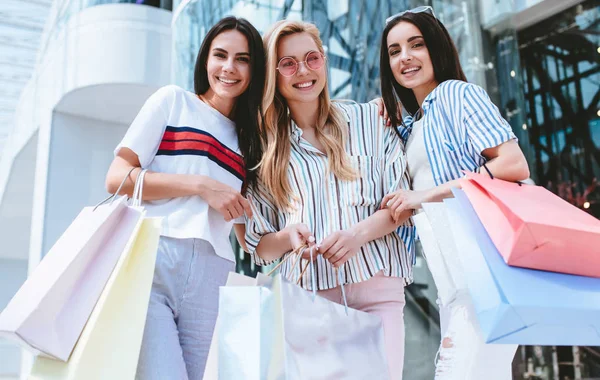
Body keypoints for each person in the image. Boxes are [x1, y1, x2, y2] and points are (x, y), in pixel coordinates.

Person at [244, 20, 414, 379]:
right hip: (308, 300)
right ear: (273, 75)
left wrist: (358, 235)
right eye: (288, 63)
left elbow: (402, 204)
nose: (303, 71)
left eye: (311, 58)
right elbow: (259, 246)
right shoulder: (265, 150)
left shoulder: (370, 118)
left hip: (378, 293)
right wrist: (289, 237)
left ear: (323, 59)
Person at [104, 16, 265, 379]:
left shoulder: (251, 142)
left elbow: (249, 239)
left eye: (242, 59)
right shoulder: (173, 102)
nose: (229, 67)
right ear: (205, 59)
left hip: (212, 274)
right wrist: (198, 185)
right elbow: (116, 177)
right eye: (220, 55)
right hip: (155, 260)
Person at [378, 6, 529, 378]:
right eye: (394, 51)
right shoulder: (414, 126)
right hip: (453, 287)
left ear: (437, 48)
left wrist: (420, 197)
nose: (405, 57)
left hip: (484, 273)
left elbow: (512, 163)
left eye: (416, 44)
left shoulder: (456, 94)